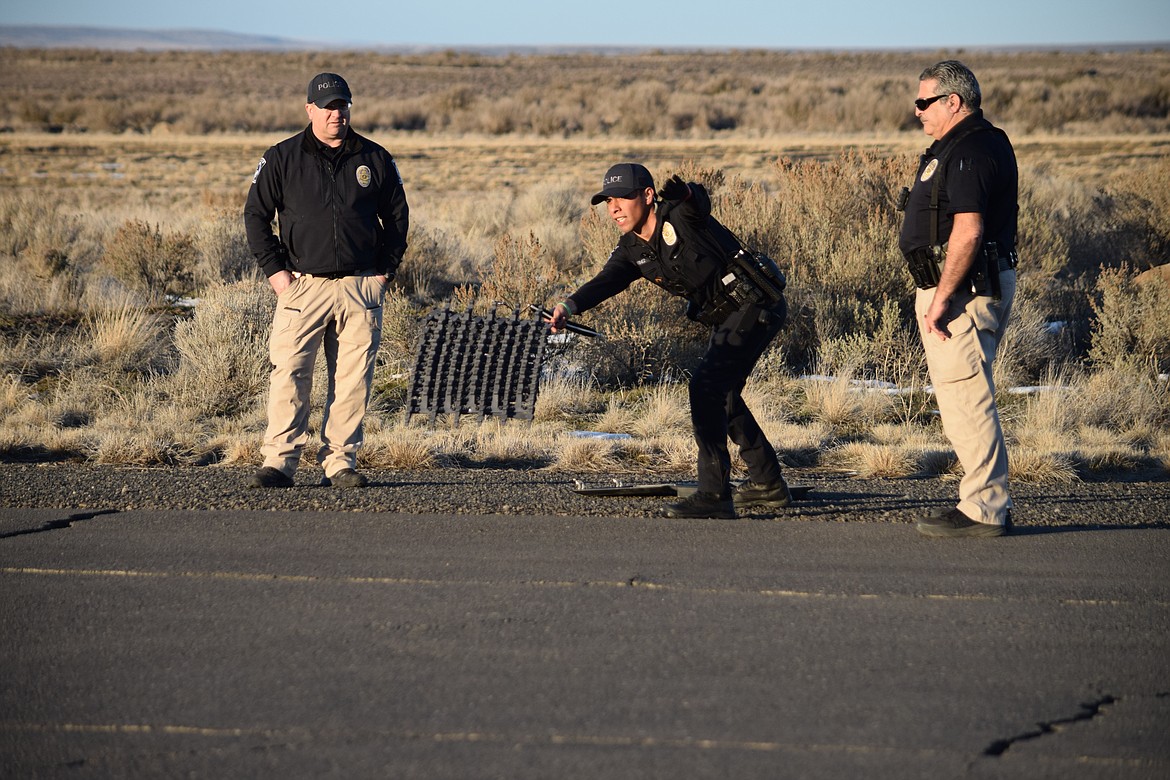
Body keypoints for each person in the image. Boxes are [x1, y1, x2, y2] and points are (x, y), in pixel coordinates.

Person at [548, 163, 790, 519]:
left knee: (705, 388)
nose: (614, 208)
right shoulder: (632, 248)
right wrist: (569, 306)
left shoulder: (679, 214)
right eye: (608, 201)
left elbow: (699, 204)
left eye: (623, 198)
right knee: (721, 394)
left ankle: (714, 494)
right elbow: (608, 279)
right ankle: (768, 483)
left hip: (756, 304)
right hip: (726, 317)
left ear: (648, 196)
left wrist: (688, 193)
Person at [243, 73, 409, 489]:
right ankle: (280, 462)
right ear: (310, 110)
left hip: (360, 288)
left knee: (353, 380)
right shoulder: (282, 158)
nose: (338, 114)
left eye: (343, 105)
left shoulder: (375, 157)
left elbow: (398, 218)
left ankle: (340, 461)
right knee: (290, 374)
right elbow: (255, 216)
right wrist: (277, 275)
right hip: (303, 288)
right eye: (329, 106)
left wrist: (384, 271)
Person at [898, 61, 1018, 537]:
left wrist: (942, 296)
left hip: (962, 293)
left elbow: (968, 231)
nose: (917, 111)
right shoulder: (967, 144)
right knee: (963, 395)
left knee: (967, 397)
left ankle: (984, 509)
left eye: (924, 101)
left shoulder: (969, 149)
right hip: (961, 288)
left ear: (954, 101)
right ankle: (984, 503)